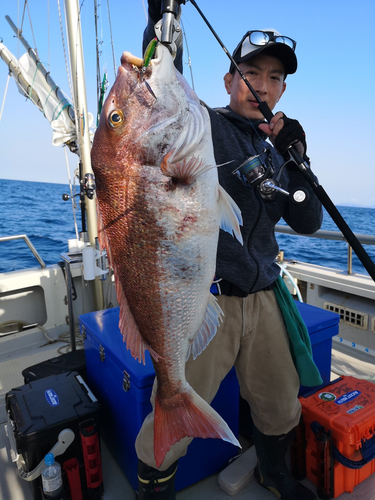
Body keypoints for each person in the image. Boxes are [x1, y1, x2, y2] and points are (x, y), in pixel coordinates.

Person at [136, 3, 323, 499]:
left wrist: (298, 161)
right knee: (171, 405)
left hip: (263, 295)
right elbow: (159, 86)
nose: (260, 84)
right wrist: (161, 19)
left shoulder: (279, 145)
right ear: (226, 80)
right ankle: (153, 486)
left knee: (281, 404)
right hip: (202, 294)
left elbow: (307, 222)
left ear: (282, 89)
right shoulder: (197, 124)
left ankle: (274, 472)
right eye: (250, 71)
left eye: (274, 76)